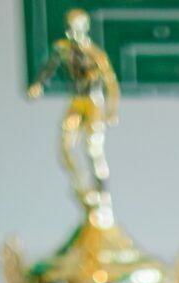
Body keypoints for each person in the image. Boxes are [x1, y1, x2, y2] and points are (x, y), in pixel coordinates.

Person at [28, 9, 119, 211]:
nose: (70, 33)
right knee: (65, 146)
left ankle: (102, 193)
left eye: (75, 28)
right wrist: (38, 84)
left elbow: (111, 84)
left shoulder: (96, 55)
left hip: (93, 101)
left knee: (93, 148)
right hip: (76, 100)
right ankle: (82, 186)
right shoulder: (63, 49)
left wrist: (111, 110)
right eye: (69, 28)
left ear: (84, 28)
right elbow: (49, 67)